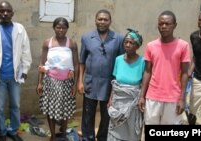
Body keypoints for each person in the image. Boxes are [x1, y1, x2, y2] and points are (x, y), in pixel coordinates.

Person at [0, 1, 32, 141]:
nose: (5, 13)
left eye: (8, 11)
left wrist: (25, 69)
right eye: (2, 11)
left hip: (15, 76)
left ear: (12, 13)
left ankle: (13, 131)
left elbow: (26, 51)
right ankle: (2, 132)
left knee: (15, 106)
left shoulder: (20, 29)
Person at [78, 9, 124, 141]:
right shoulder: (87, 37)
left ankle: (102, 137)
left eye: (105, 19)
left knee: (106, 114)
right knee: (88, 113)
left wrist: (118, 84)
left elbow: (120, 62)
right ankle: (88, 137)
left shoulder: (118, 38)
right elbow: (82, 61)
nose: (102, 22)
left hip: (109, 83)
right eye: (100, 19)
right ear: (95, 20)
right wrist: (80, 81)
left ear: (110, 22)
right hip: (90, 81)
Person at [138, 10, 190, 124]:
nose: (164, 26)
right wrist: (142, 96)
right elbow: (147, 72)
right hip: (152, 97)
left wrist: (182, 98)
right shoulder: (151, 46)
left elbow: (185, 73)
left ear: (174, 25)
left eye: (167, 23)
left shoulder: (183, 46)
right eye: (161, 24)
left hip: (173, 98)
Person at [36, 17, 79, 141]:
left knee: (65, 110)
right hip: (50, 81)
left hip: (67, 82)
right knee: (51, 109)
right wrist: (39, 83)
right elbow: (42, 63)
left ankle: (64, 135)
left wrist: (75, 84)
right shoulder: (47, 43)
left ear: (67, 29)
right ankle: (53, 136)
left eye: (63, 27)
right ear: (54, 28)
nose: (61, 30)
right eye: (58, 27)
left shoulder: (71, 43)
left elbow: (76, 64)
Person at [107, 29, 144, 141]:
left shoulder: (143, 61)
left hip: (133, 104)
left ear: (137, 46)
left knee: (131, 131)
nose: (127, 45)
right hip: (118, 102)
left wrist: (141, 99)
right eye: (126, 42)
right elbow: (115, 82)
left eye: (131, 43)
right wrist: (110, 99)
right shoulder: (118, 59)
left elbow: (143, 83)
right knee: (115, 129)